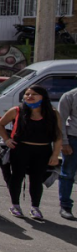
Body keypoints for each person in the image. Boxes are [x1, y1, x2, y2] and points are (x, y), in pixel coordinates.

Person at [0, 86, 63, 220]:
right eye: (27, 94)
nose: (29, 96)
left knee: (37, 180)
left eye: (34, 94)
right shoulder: (16, 111)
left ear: (43, 97)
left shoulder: (52, 113)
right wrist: (7, 140)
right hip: (20, 149)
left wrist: (55, 154)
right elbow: (0, 125)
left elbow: (58, 135)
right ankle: (15, 205)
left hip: (43, 151)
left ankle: (35, 208)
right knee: (17, 177)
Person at [56, 85, 77, 220]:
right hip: (73, 139)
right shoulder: (70, 96)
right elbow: (61, 121)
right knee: (68, 173)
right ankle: (65, 206)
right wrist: (64, 142)